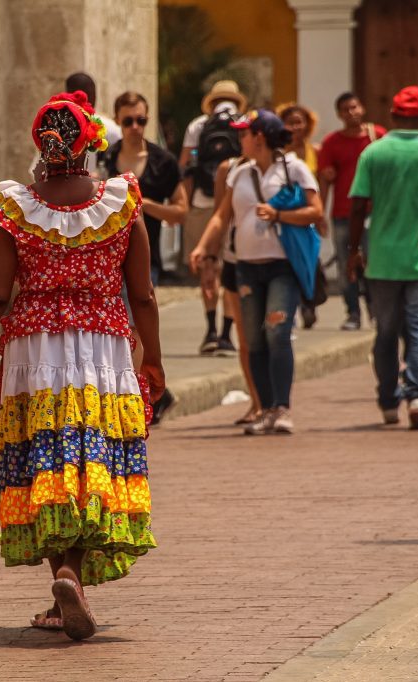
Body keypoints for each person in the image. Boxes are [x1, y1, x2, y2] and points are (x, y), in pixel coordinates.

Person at [0, 91, 163, 641]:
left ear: (42, 143)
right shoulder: (123, 200)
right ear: (90, 144)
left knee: (47, 461)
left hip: (34, 355)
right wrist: (153, 362)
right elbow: (145, 296)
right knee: (88, 460)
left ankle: (63, 580)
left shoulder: (15, 208)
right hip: (102, 352)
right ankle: (69, 582)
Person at [190, 109, 323, 435]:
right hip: (247, 268)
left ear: (259, 137)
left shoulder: (295, 170)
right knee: (253, 339)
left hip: (281, 267)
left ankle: (282, 408)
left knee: (277, 333)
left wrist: (277, 214)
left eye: (244, 134)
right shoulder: (240, 173)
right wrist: (203, 247)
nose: (239, 139)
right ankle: (265, 408)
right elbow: (222, 216)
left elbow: (315, 212)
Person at [347, 86, 418, 429]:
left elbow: (358, 205)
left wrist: (353, 251)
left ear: (392, 116)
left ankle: (388, 402)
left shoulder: (373, 153)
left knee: (385, 332)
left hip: (384, 261)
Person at [103, 91, 186, 422]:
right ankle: (154, 395)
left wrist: (142, 204)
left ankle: (140, 399)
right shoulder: (106, 159)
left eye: (141, 120)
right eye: (128, 121)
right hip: (107, 257)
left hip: (143, 256)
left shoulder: (162, 161)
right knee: (120, 330)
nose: (135, 127)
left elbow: (181, 211)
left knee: (135, 328)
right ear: (118, 121)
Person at [192, 154, 264, 425]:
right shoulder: (231, 170)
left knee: (274, 336)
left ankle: (275, 403)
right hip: (238, 261)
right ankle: (258, 402)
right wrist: (208, 256)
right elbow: (221, 215)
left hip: (277, 263)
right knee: (246, 339)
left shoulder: (288, 166)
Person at [179, 80, 246, 354]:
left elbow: (185, 166)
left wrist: (184, 206)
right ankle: (227, 334)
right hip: (237, 203)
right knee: (229, 267)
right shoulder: (244, 124)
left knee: (207, 268)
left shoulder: (197, 125)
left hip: (201, 203)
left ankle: (210, 330)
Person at [318, 93, 386, 330]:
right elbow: (324, 179)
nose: (351, 113)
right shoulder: (331, 142)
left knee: (372, 263)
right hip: (341, 214)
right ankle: (352, 313)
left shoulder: (378, 136)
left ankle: (376, 311)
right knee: (346, 266)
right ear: (339, 114)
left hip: (372, 213)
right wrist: (320, 213)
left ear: (362, 108)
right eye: (345, 109)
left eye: (354, 107)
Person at [278, 103, 324, 328]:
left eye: (299, 122)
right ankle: (293, 306)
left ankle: (309, 304)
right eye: (290, 122)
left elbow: (320, 185)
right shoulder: (278, 153)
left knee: (311, 259)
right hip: (286, 215)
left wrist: (321, 216)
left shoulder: (314, 151)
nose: (295, 127)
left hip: (310, 214)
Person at [29, 72, 121, 179]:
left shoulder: (109, 129)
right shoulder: (53, 128)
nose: (86, 101)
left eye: (90, 95)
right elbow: (37, 171)